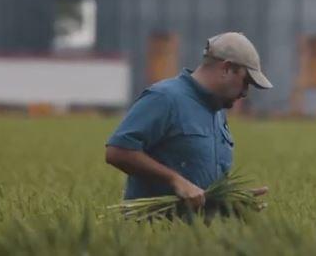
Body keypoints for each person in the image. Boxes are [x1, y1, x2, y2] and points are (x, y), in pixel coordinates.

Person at [105, 32, 272, 211]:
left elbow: (201, 186)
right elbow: (118, 151)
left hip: (196, 233)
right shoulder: (165, 98)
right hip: (155, 231)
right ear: (226, 68)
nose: (245, 92)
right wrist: (175, 180)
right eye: (245, 81)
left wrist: (230, 201)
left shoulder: (217, 112)